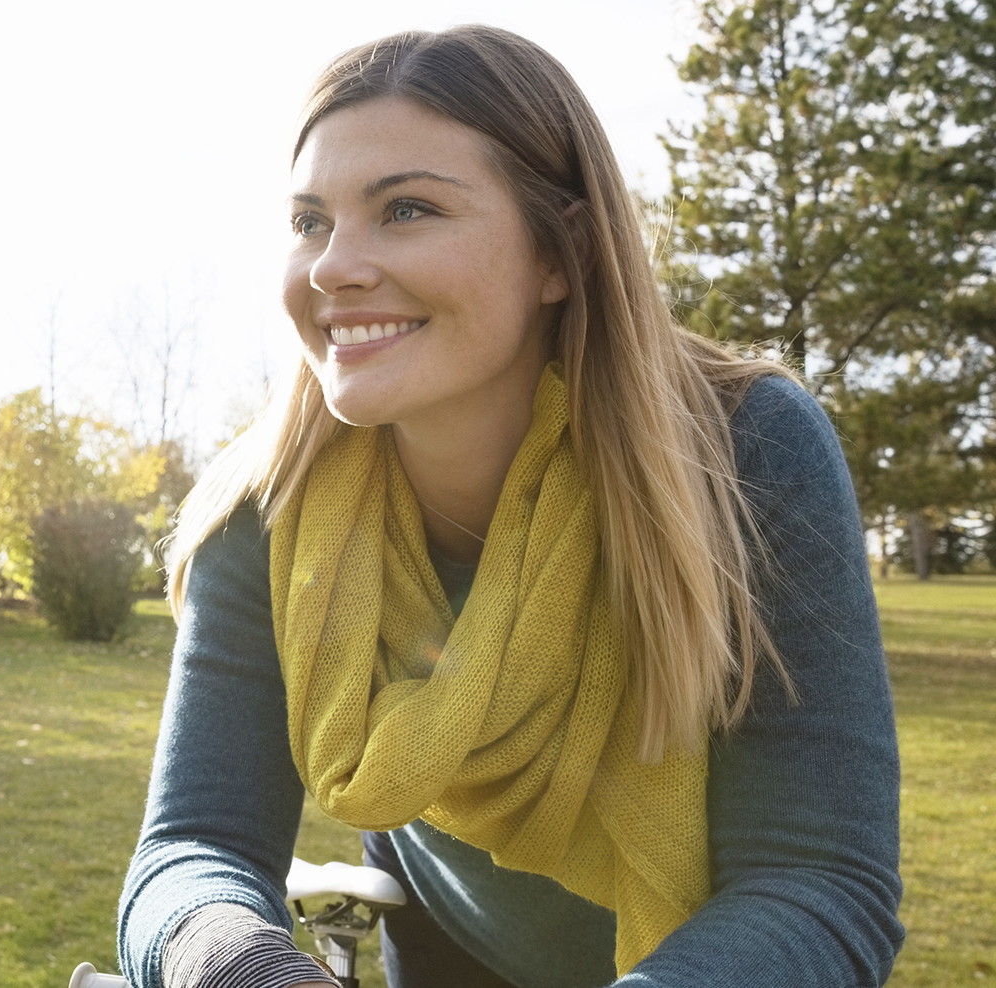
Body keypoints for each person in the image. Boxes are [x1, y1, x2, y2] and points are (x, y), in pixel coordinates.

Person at [118, 24, 903, 988]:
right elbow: (192, 848)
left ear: (561, 253)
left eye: (405, 210)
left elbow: (819, 880)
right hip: (446, 945)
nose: (332, 267)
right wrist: (248, 972)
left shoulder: (749, 451)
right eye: (309, 222)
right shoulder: (263, 507)